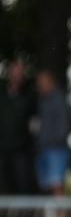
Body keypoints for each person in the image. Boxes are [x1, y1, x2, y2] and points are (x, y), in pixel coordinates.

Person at [35, 69, 71, 217]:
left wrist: (50, 140)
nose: (40, 85)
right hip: (44, 149)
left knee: (57, 186)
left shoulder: (58, 99)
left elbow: (63, 127)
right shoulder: (42, 100)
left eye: (43, 81)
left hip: (56, 149)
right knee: (48, 187)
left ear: (51, 81)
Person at [0, 60, 35, 195]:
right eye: (14, 72)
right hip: (2, 149)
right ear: (9, 73)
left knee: (23, 183)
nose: (16, 76)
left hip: (22, 150)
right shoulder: (2, 95)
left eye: (20, 73)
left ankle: (24, 216)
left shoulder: (30, 96)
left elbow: (35, 123)